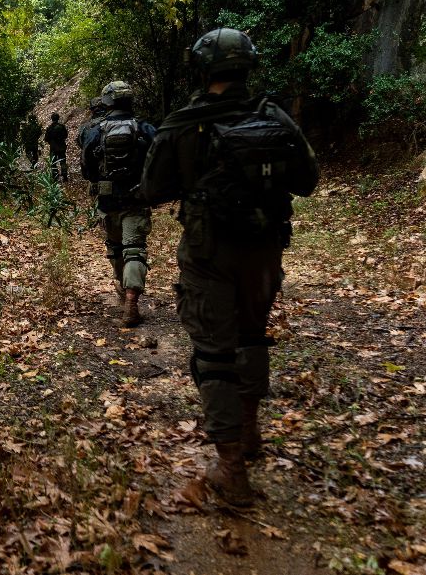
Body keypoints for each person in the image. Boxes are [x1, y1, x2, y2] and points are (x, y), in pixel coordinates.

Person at [140, 28, 319, 507]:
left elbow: (151, 188)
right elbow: (308, 180)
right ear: (247, 66)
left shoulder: (184, 122)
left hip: (208, 253)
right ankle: (251, 429)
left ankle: (231, 469)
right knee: (252, 337)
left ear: (202, 69)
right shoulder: (273, 116)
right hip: (264, 249)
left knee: (214, 353)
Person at [79, 82, 156, 327]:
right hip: (136, 199)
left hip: (108, 200)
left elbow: (87, 169)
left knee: (115, 246)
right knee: (134, 248)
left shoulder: (96, 130)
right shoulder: (144, 128)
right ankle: (132, 301)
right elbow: (159, 159)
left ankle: (123, 291)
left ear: (106, 102)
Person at [43, 113, 69, 182]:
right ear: (58, 118)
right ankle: (65, 176)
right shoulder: (62, 127)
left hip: (53, 148)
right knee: (63, 161)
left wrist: (51, 141)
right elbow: (66, 135)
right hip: (61, 147)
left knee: (53, 163)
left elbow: (46, 138)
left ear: (52, 119)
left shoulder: (49, 128)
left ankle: (55, 177)